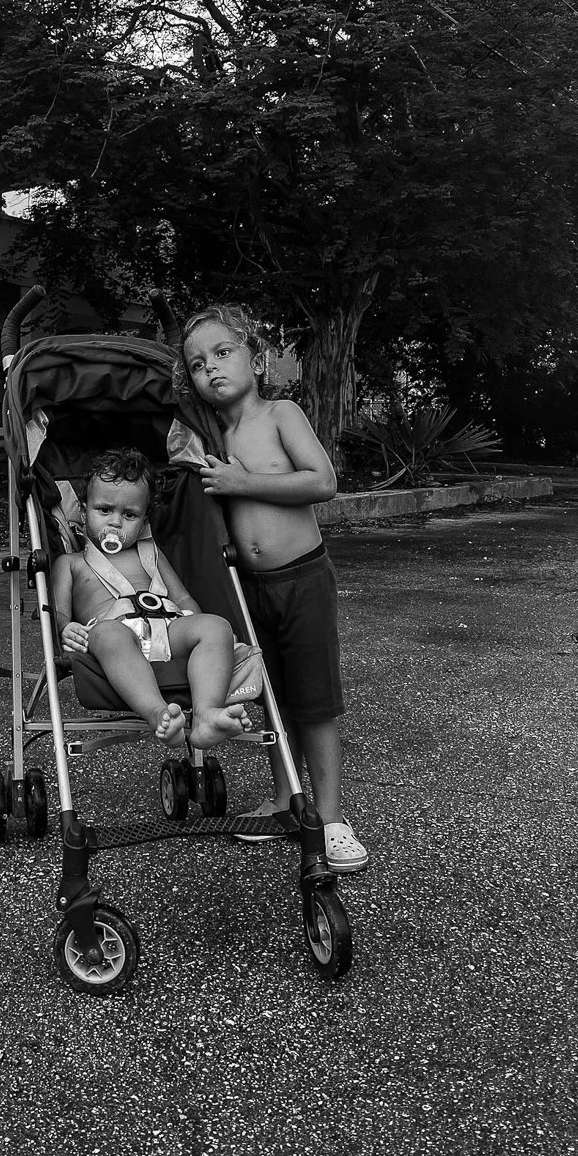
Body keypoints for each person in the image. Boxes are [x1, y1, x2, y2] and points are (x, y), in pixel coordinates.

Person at [178, 304, 369, 873]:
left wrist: (243, 481)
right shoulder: (209, 436)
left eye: (222, 352)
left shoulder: (279, 413)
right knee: (274, 700)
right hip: (249, 587)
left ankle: (331, 818)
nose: (209, 368)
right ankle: (289, 800)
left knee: (315, 701)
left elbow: (323, 481)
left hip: (303, 579)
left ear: (255, 360)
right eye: (195, 364)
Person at [52, 447, 254, 749]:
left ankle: (206, 715)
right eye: (104, 510)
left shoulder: (152, 554)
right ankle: (159, 714)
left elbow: (183, 599)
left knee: (216, 626)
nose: (116, 523)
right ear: (83, 511)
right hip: (114, 632)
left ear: (145, 519)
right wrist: (65, 628)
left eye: (129, 514)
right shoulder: (71, 563)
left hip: (168, 626)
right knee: (108, 635)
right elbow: (57, 613)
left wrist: (202, 627)